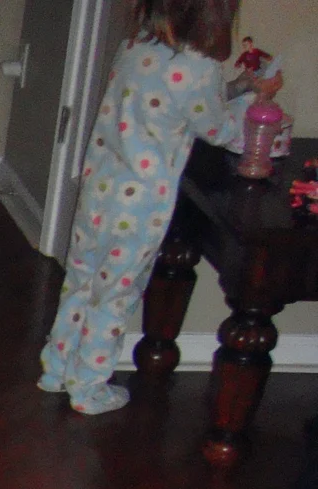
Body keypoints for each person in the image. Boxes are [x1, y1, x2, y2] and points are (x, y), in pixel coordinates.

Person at [38, 0, 281, 415]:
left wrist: (239, 86)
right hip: (140, 204)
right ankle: (88, 387)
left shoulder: (136, 47)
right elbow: (220, 129)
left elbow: (180, 101)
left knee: (81, 282)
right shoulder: (199, 68)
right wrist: (261, 100)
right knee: (115, 296)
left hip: (100, 189)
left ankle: (57, 369)